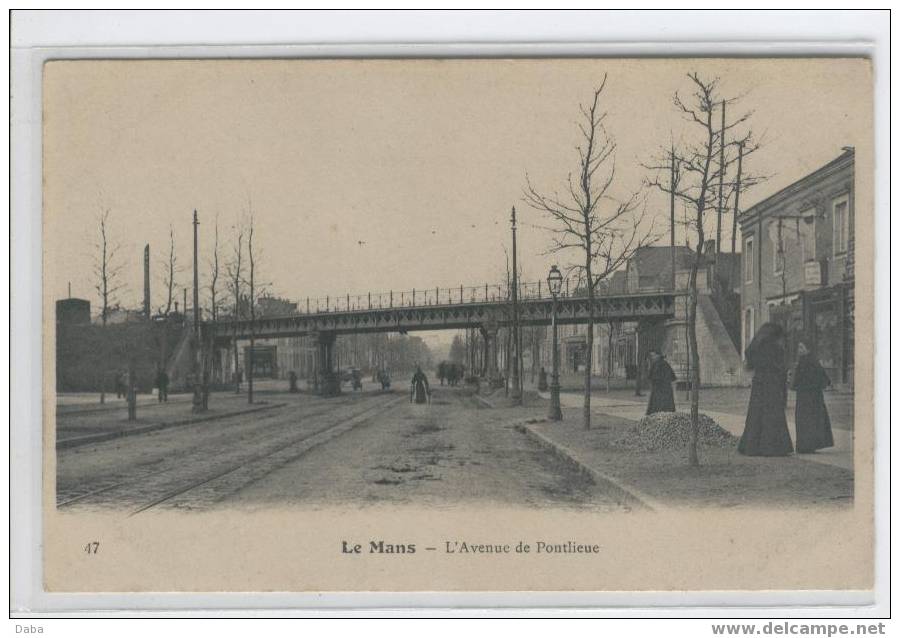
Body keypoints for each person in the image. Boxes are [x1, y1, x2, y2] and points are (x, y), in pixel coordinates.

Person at [738, 322, 794, 457]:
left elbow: (749, 366)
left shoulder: (755, 347)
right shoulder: (776, 348)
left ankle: (752, 446)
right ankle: (772, 447)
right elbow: (781, 367)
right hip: (772, 383)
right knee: (773, 414)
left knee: (756, 414)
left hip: (758, 383)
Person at [792, 341, 834, 453]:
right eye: (798, 347)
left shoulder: (810, 361)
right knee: (807, 420)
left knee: (808, 420)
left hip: (811, 397)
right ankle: (806, 445)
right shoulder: (805, 361)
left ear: (807, 349)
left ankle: (807, 445)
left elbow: (821, 376)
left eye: (801, 347)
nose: (799, 350)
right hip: (806, 396)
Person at [646, 349, 676, 415]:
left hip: (658, 389)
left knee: (656, 406)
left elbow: (651, 376)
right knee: (666, 408)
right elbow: (673, 377)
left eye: (653, 355)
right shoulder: (666, 364)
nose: (652, 357)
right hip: (666, 389)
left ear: (658, 355)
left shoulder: (655, 364)